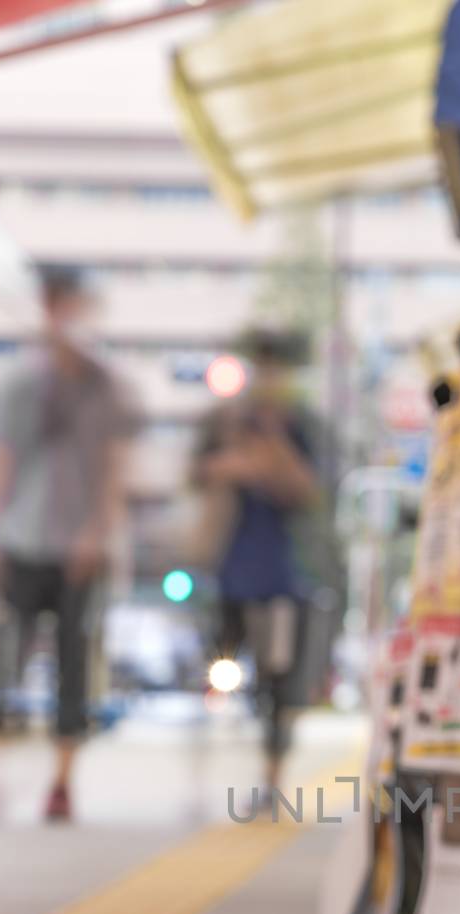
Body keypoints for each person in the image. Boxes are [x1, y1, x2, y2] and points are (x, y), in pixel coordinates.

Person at [0, 264, 128, 821]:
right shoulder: (20, 379)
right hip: (22, 537)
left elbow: (113, 465)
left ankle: (62, 783)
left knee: (73, 663)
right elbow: (1, 461)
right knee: (6, 657)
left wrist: (100, 532)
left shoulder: (101, 381)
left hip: (78, 546)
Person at [192, 328, 322, 795]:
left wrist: (271, 455)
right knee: (219, 665)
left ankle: (272, 776)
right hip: (229, 569)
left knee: (279, 682)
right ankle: (206, 767)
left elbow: (308, 489)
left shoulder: (301, 424)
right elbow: (202, 471)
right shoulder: (225, 421)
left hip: (286, 576)